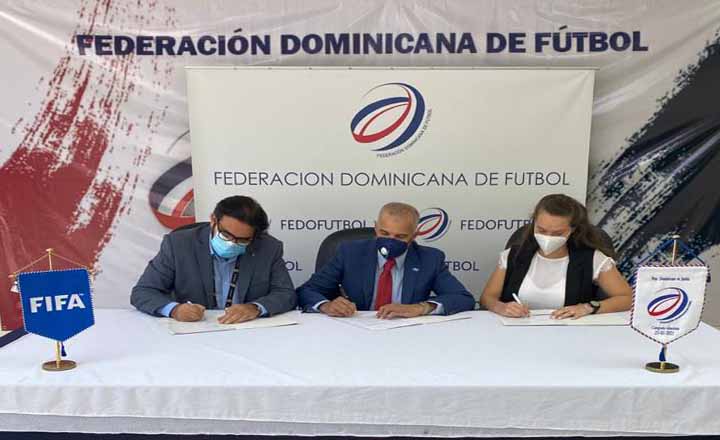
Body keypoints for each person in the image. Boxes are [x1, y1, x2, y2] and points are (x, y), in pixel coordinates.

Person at [131, 195, 296, 323]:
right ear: (213, 220)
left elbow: (286, 294)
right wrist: (174, 310)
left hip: (246, 330)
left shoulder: (268, 248)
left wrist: (256, 308)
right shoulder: (178, 244)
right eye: (226, 235)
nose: (232, 243)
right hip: (193, 331)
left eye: (243, 240)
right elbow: (143, 292)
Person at [297, 202, 475, 318]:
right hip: (355, 331)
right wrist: (326, 305)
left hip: (408, 333)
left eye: (400, 236)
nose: (390, 241)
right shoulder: (350, 252)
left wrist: (420, 308)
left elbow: (463, 298)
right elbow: (307, 290)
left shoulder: (430, 259)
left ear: (414, 236)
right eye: (384, 233)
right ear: (376, 229)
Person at [480, 194, 632, 319]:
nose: (548, 237)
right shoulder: (514, 255)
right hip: (516, 334)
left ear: (573, 230)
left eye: (557, 233)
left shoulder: (592, 259)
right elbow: (487, 298)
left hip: (571, 335)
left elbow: (627, 298)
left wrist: (587, 308)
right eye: (541, 230)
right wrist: (501, 307)